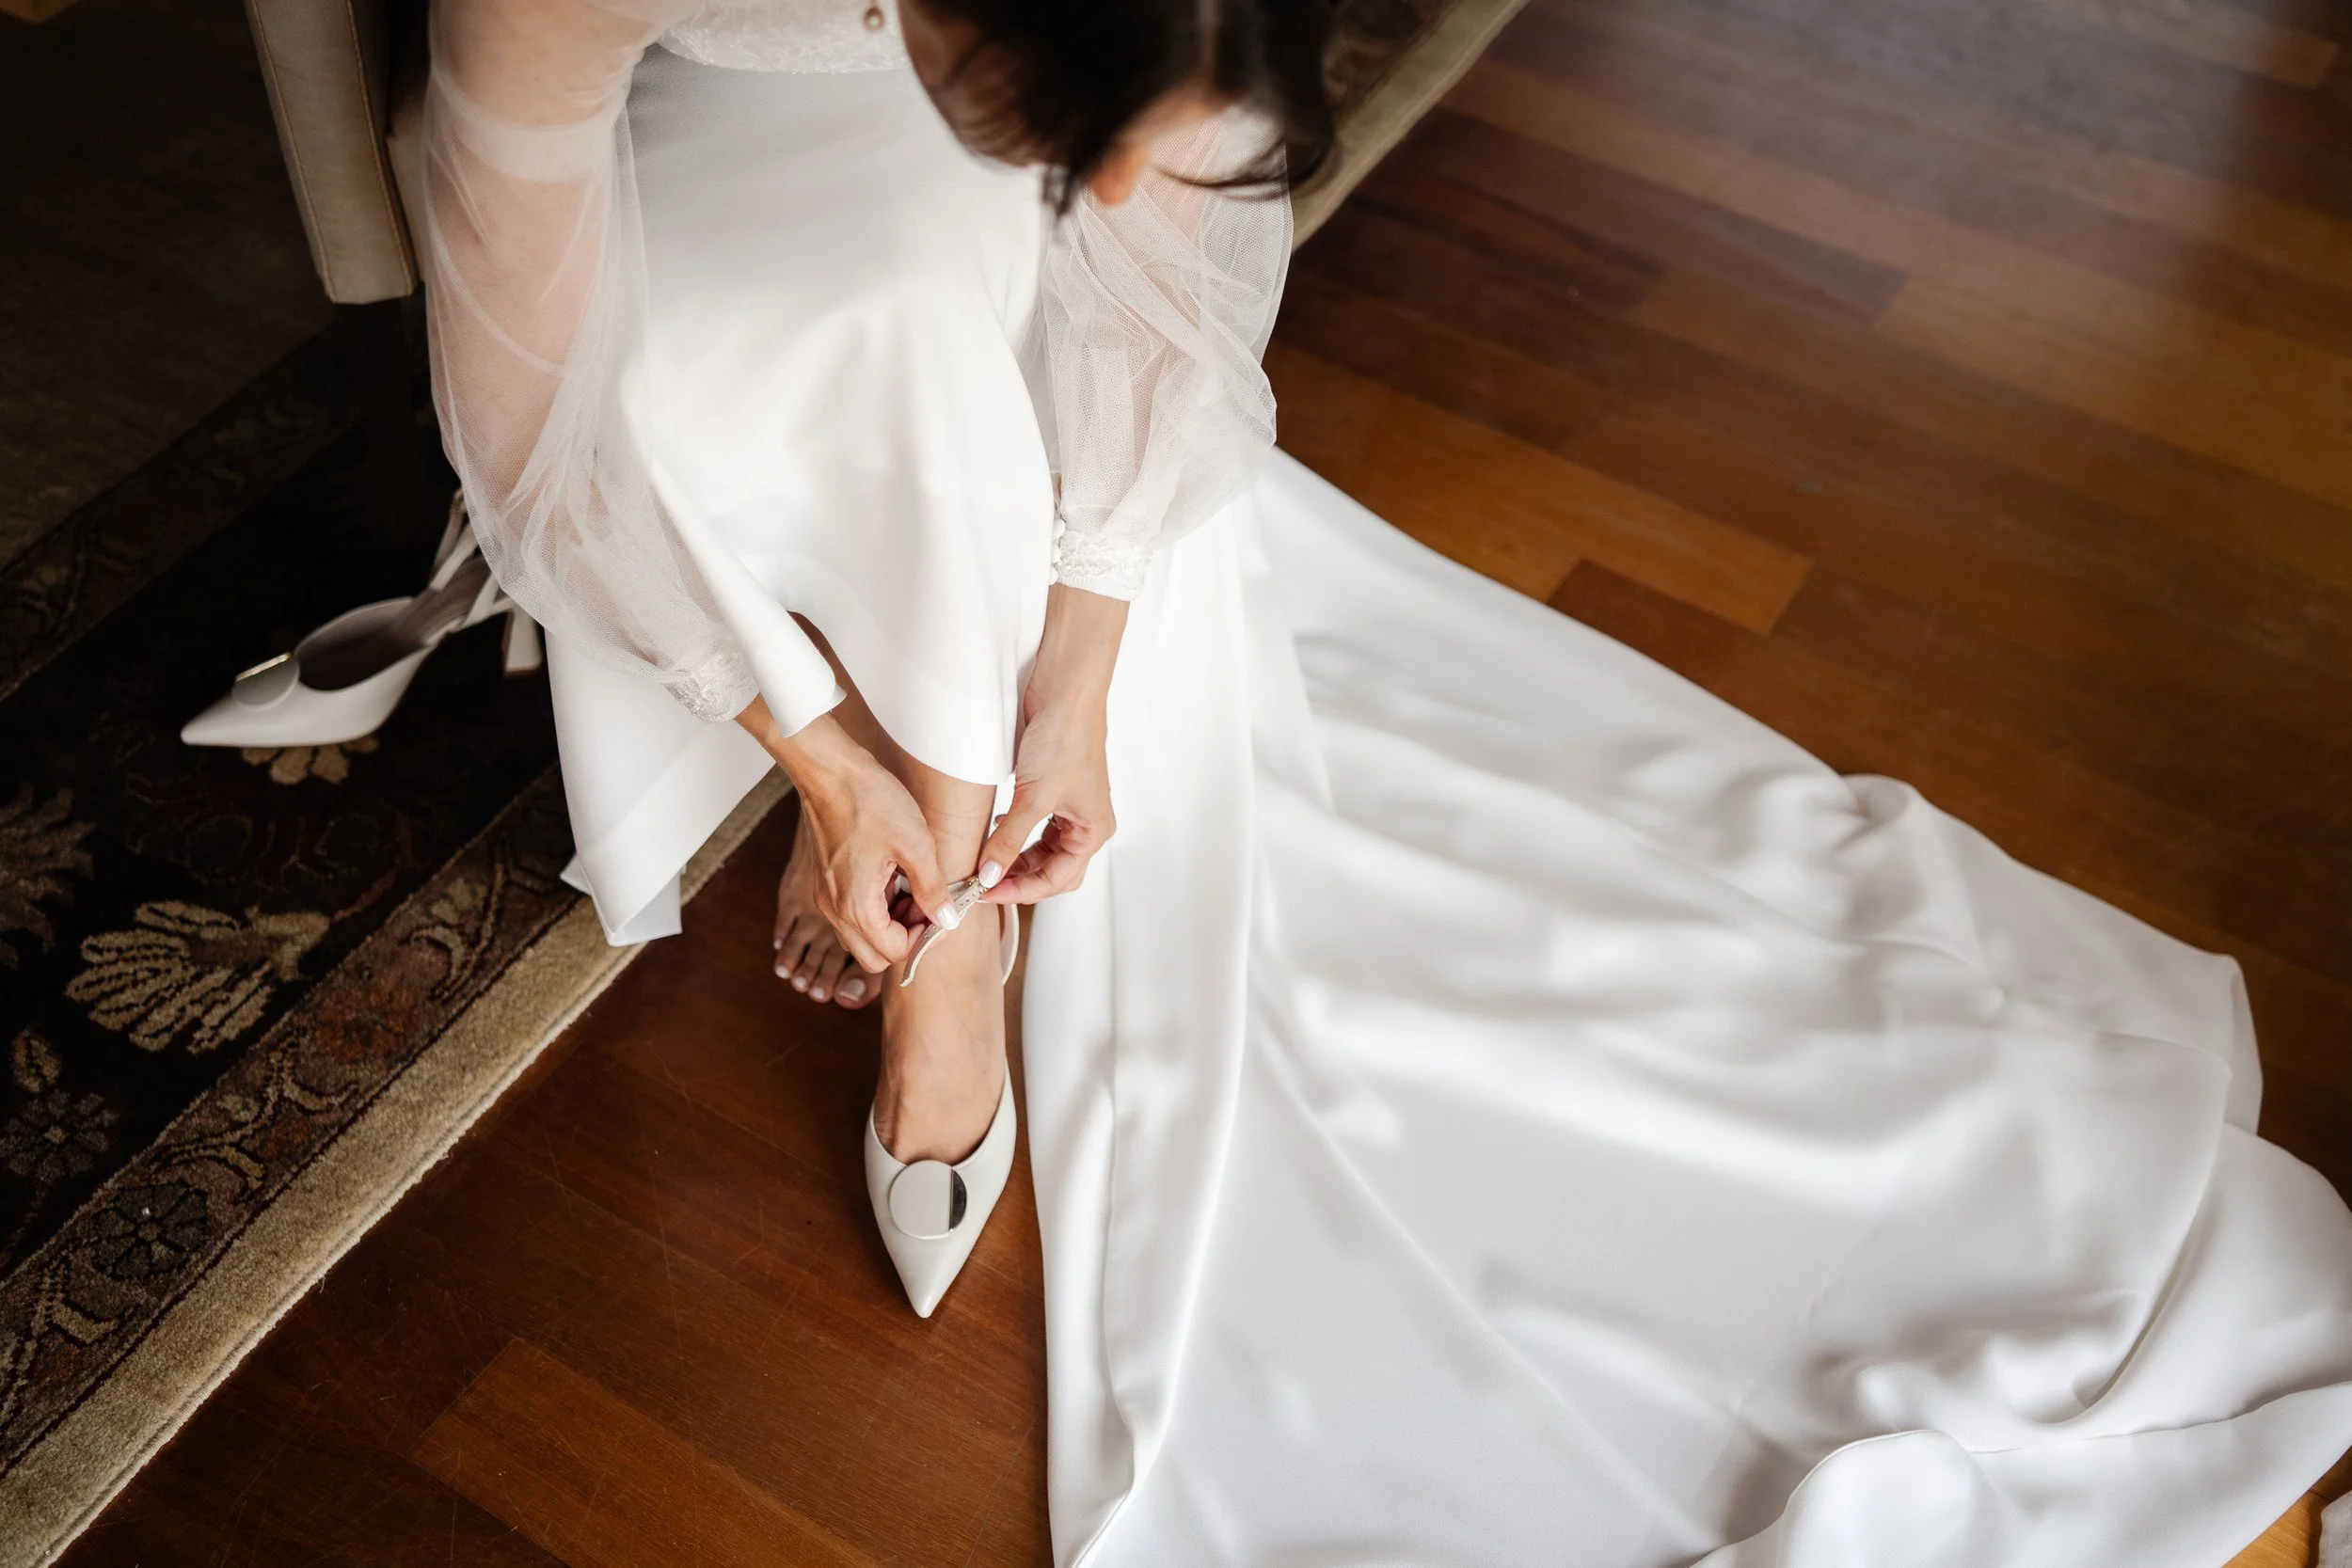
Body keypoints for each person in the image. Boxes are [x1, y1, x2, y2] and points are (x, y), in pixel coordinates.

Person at [203, 0, 2352, 1560]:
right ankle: (924, 893)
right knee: (869, 315)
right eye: (1091, 137)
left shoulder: (1143, 92)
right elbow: (523, 393)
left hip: (961, 133)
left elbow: (1163, 266)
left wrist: (1075, 687)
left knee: (1009, 319)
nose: (1125, 188)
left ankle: (951, 884)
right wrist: (816, 746)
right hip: (689, 149)